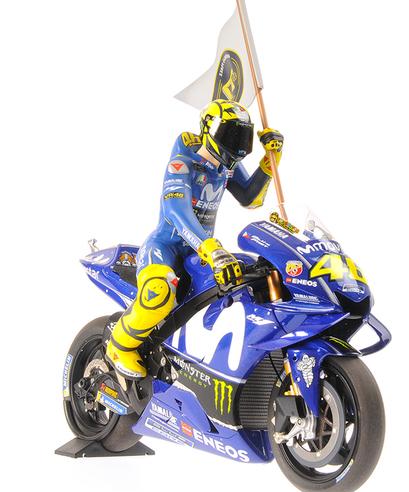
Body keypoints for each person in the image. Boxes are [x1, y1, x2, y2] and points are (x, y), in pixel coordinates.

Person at [104, 99, 284, 379]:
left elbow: (250, 198)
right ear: (209, 129)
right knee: (160, 293)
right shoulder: (182, 163)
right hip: (165, 249)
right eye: (231, 134)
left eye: (243, 136)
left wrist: (269, 162)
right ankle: (119, 347)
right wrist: (211, 249)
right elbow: (176, 212)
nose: (237, 144)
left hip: (201, 254)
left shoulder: (225, 167)